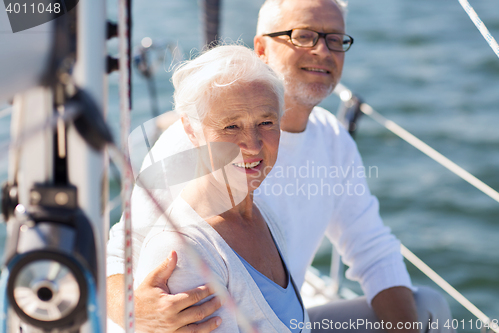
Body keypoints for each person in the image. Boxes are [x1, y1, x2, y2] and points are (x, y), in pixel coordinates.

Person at [107, 0, 455, 332]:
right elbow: (121, 254)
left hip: (286, 319)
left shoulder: (332, 139)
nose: (323, 51)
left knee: (427, 309)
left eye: (335, 39)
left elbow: (373, 249)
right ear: (261, 49)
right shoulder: (199, 144)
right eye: (303, 36)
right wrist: (136, 314)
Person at [129, 44, 310, 332]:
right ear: (191, 130)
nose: (252, 144)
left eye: (266, 122)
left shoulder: (263, 216)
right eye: (231, 127)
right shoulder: (184, 252)